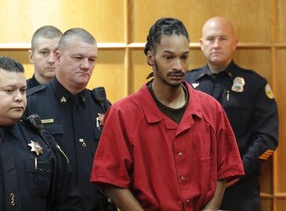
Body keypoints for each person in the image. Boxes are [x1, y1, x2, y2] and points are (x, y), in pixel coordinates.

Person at [90, 17, 244, 211]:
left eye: (184, 57)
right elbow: (111, 181)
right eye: (169, 57)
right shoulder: (123, 113)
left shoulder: (211, 109)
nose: (178, 66)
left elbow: (224, 171)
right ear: (150, 57)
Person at [185, 16, 279, 211]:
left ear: (234, 44)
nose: (216, 45)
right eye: (210, 39)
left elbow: (267, 137)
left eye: (223, 39)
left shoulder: (254, 85)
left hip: (240, 194)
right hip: (193, 191)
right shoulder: (185, 85)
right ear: (201, 44)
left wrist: (237, 171)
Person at [24, 28, 113, 211]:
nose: (86, 66)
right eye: (78, 58)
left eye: (92, 59)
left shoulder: (102, 107)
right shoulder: (30, 104)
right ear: (58, 58)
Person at [0, 56, 83, 211]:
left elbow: (67, 201)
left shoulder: (43, 141)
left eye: (23, 90)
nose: (19, 98)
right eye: (9, 91)